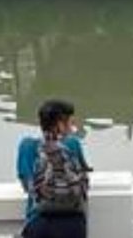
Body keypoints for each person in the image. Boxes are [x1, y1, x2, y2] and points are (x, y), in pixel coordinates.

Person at [17, 99, 90, 238]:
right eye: (70, 123)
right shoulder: (72, 143)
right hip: (72, 223)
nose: (71, 127)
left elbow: (27, 186)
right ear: (60, 125)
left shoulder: (26, 145)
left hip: (38, 221)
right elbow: (83, 179)